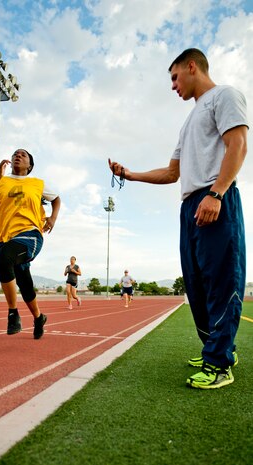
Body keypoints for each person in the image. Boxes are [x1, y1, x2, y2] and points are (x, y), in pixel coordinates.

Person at [109, 48, 248, 389]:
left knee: (220, 280)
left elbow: (238, 144)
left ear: (191, 67)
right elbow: (172, 173)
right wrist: (130, 174)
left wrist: (217, 193)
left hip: (215, 197)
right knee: (196, 285)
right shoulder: (188, 121)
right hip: (189, 206)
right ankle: (216, 348)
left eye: (174, 77)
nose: (173, 86)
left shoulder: (224, 96)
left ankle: (219, 365)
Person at [0, 148, 61, 339]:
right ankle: (39, 317)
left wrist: (53, 219)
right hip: (5, 237)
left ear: (29, 165)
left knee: (2, 261)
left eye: (23, 155)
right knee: (24, 283)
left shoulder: (37, 184)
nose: (18, 156)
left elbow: (56, 198)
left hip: (30, 234)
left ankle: (13, 313)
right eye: (15, 153)